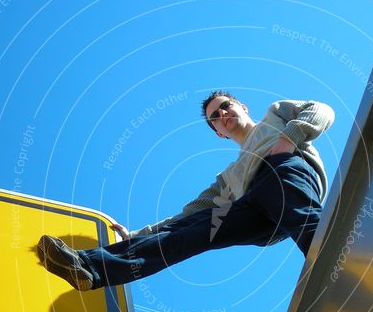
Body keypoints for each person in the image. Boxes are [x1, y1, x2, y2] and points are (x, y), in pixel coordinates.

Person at [37, 91, 334, 291]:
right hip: (257, 213)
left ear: (242, 106)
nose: (222, 113)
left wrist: (289, 138)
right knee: (189, 233)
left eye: (225, 106)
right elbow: (190, 214)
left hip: (284, 171)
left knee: (304, 220)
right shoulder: (228, 178)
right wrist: (139, 235)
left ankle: (342, 272)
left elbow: (321, 110)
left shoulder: (275, 115)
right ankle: (90, 266)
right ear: (219, 132)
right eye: (215, 116)